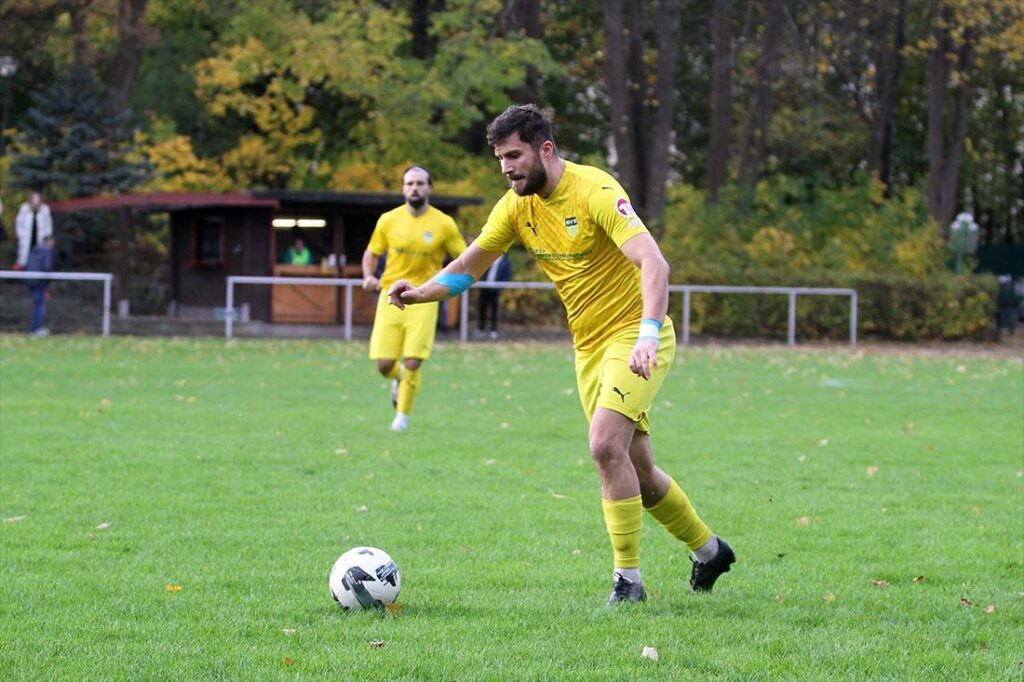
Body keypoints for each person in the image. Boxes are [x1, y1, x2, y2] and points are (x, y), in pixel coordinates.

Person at [388, 105, 735, 604]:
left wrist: (647, 334)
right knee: (639, 471)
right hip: (589, 349)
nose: (506, 168)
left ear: (545, 149)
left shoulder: (595, 190)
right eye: (500, 159)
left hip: (636, 338)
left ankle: (628, 583)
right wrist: (420, 293)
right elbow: (470, 264)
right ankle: (710, 552)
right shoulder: (516, 206)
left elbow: (653, 263)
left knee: (602, 447)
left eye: (514, 155)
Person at [362, 165, 467, 432]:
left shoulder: (443, 223)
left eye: (420, 183)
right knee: (384, 365)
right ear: (403, 189)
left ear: (429, 187)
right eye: (410, 184)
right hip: (390, 297)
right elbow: (372, 252)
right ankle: (397, 379)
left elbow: (463, 257)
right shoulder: (388, 220)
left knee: (412, 360)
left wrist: (453, 282)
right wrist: (368, 276)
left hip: (423, 299)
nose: (415, 188)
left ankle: (402, 417)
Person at [14, 191, 53, 269]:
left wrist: (48, 238)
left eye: (37, 198)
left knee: (38, 258)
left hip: (40, 239)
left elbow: (48, 225)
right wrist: (21, 235)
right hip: (26, 238)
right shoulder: (24, 208)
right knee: (24, 257)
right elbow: (19, 223)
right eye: (34, 198)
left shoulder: (45, 209)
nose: (36, 200)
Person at [477, 252, 512, 339]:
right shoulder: (490, 258)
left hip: (496, 289)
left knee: (494, 310)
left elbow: (507, 276)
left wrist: (500, 288)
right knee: (482, 309)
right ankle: (481, 329)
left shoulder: (505, 262)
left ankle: (493, 330)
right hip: (484, 288)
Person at [25, 234, 55, 336]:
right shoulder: (47, 250)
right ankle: (36, 329)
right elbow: (47, 267)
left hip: (31, 281)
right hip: (40, 282)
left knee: (37, 305)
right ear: (49, 241)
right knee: (40, 306)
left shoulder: (35, 250)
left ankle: (34, 328)